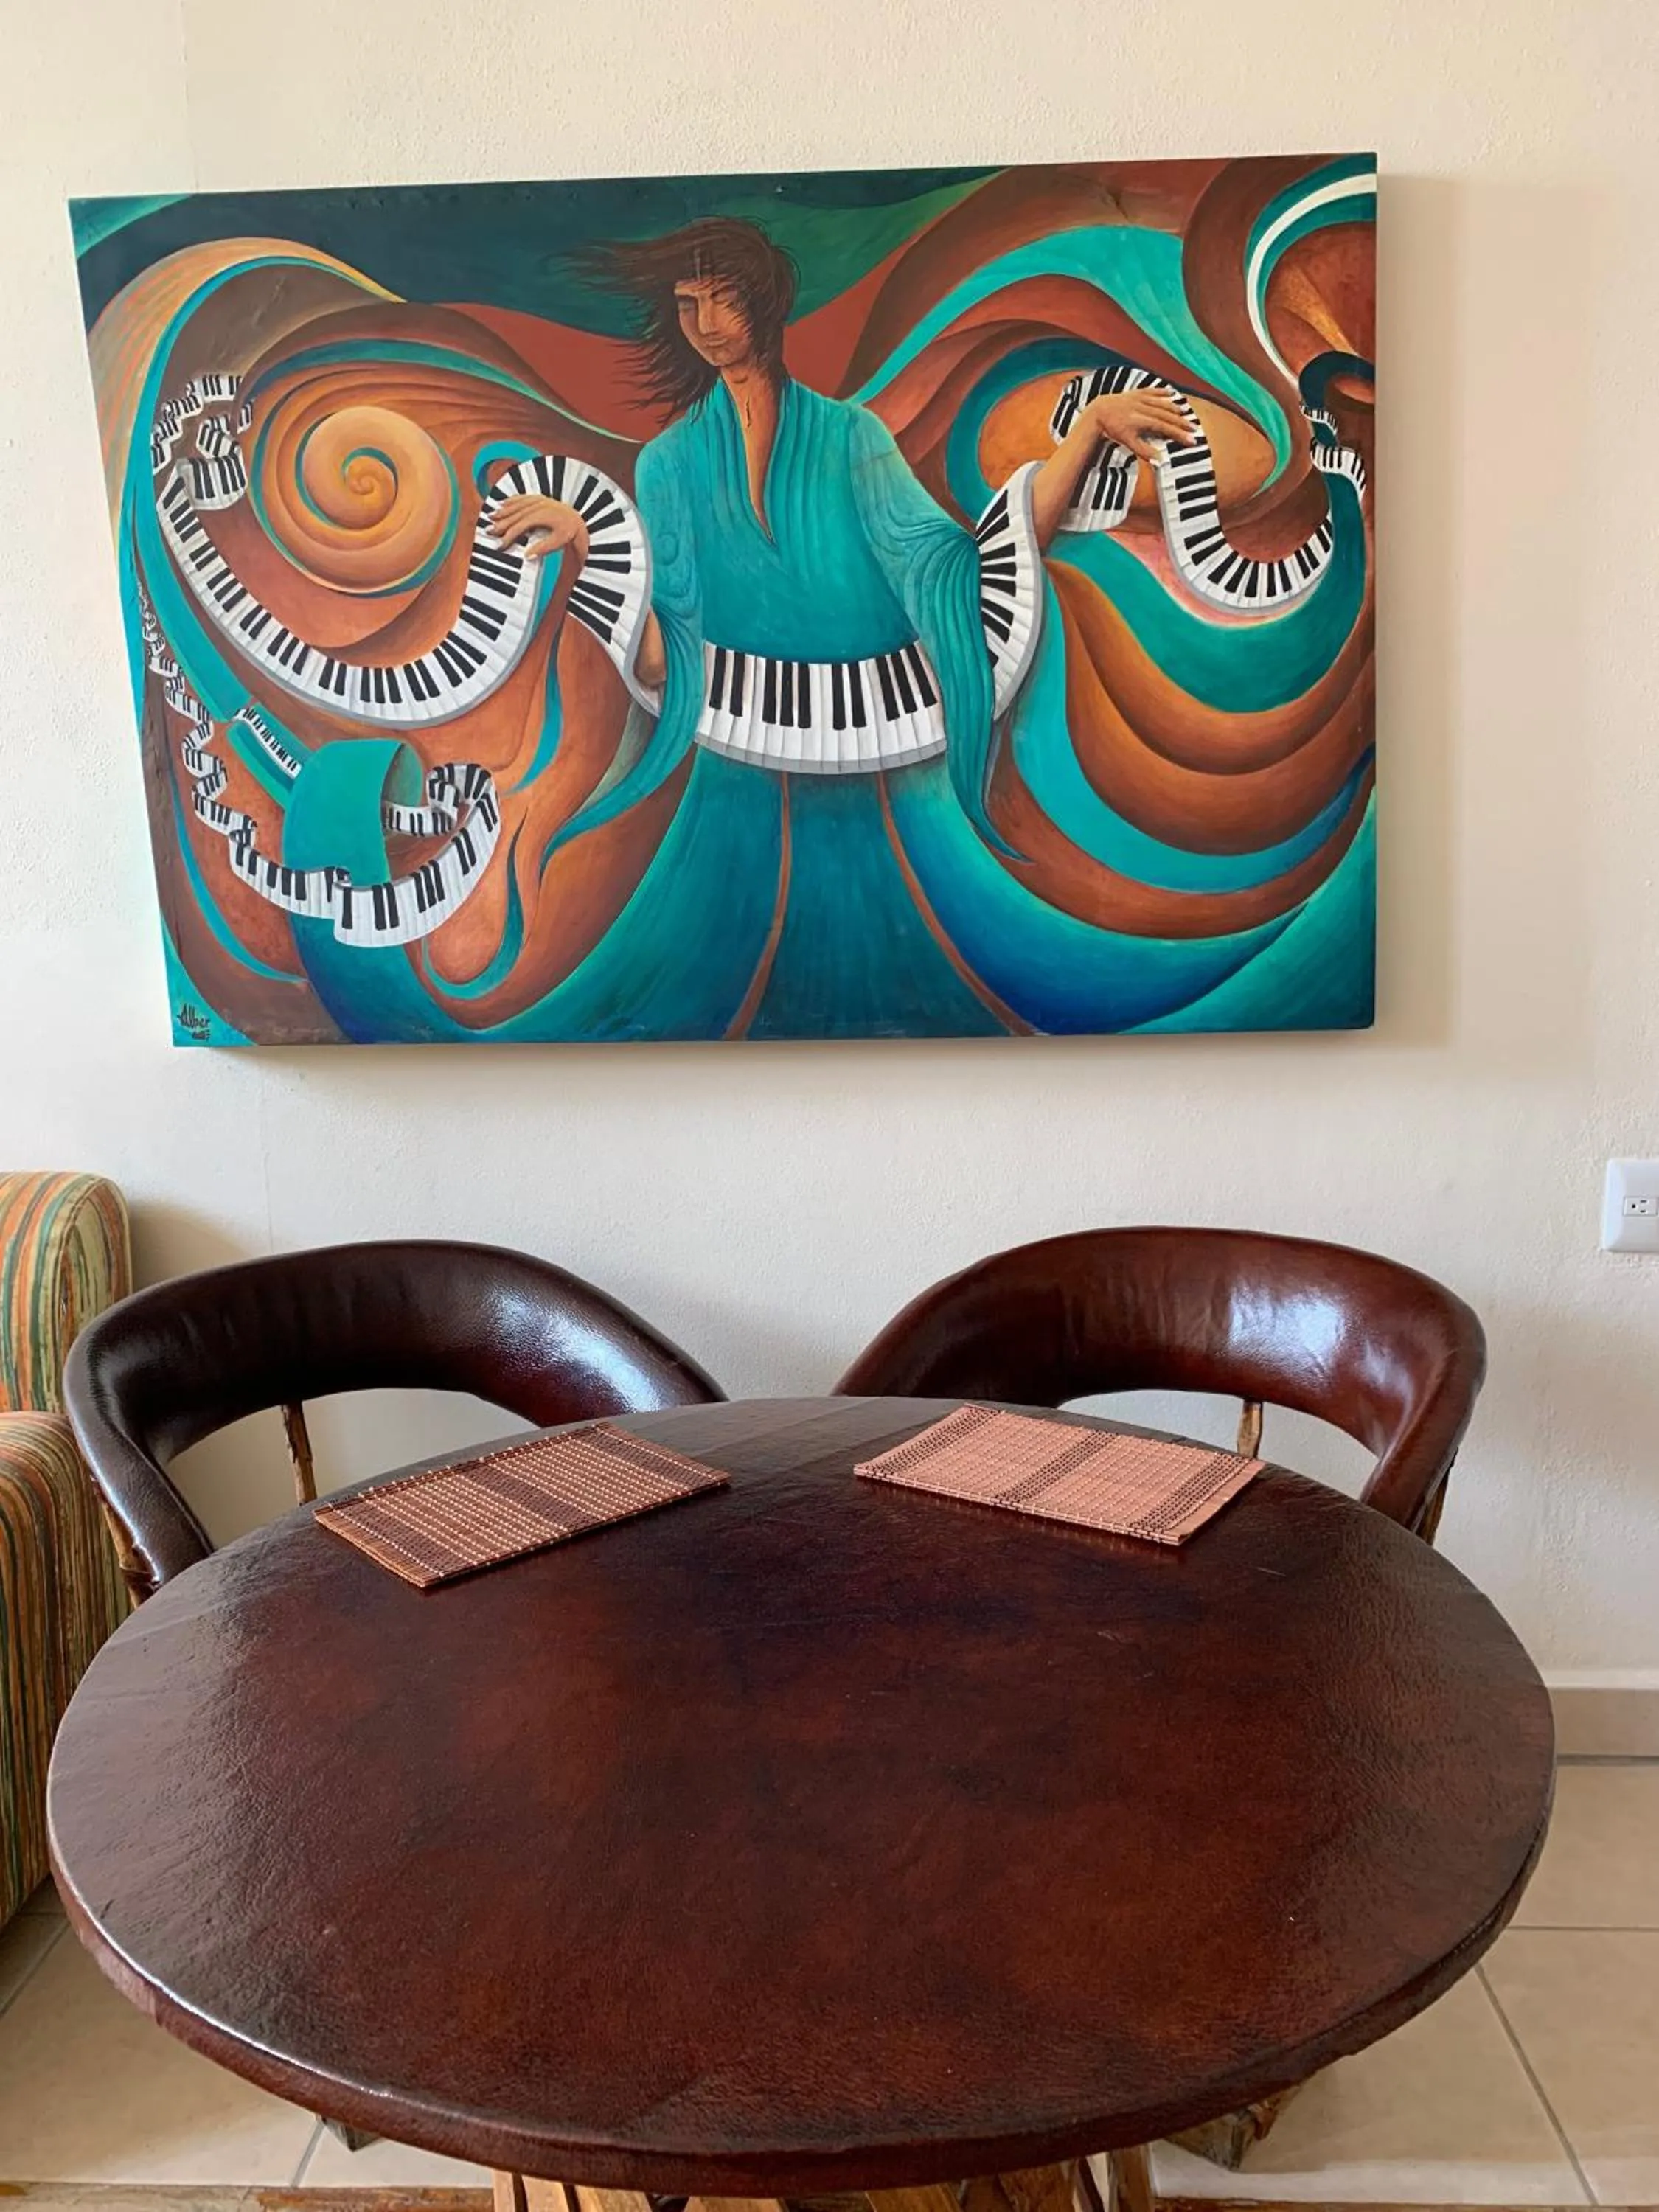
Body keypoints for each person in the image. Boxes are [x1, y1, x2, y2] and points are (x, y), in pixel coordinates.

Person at [488, 217, 1192, 850]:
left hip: (891, 767)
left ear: (765, 304)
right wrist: (590, 544)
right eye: (686, 303)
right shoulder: (667, 465)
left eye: (720, 296)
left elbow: (965, 577)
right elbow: (659, 664)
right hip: (740, 782)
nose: (702, 320)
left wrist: (1089, 433)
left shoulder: (853, 437)